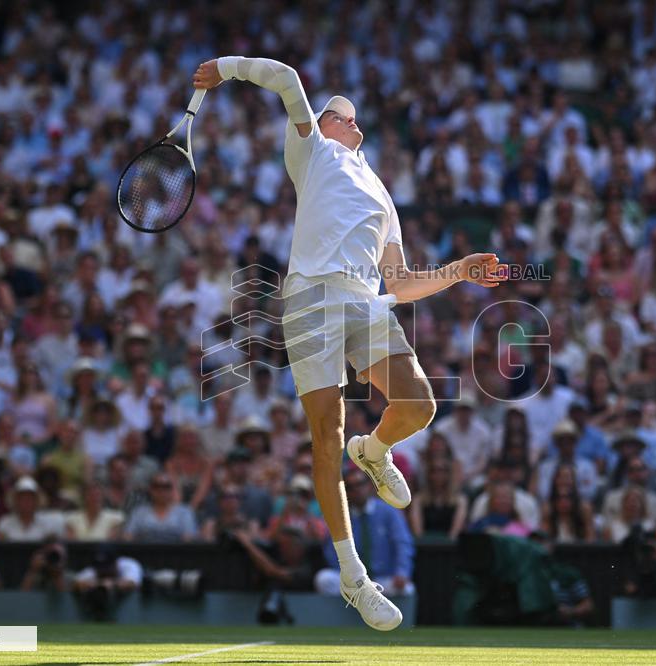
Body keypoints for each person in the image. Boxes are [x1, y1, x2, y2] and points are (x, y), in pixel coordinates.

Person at [194, 56, 505, 631]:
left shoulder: (382, 194)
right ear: (324, 122)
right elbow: (286, 79)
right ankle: (353, 577)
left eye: (349, 114)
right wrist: (228, 68)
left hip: (365, 299)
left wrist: (461, 269)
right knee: (324, 438)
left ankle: (376, 450)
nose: (349, 118)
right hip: (311, 296)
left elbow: (404, 283)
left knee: (419, 405)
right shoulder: (310, 153)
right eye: (340, 113)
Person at [314, 468, 414, 600]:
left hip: (383, 580)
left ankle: (365, 602)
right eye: (351, 487)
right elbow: (332, 554)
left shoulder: (388, 512)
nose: (357, 490)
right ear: (346, 492)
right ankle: (367, 602)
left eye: (360, 484)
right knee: (323, 579)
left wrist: (401, 572)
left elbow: (403, 544)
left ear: (369, 486)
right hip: (354, 582)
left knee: (407, 589)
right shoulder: (339, 517)